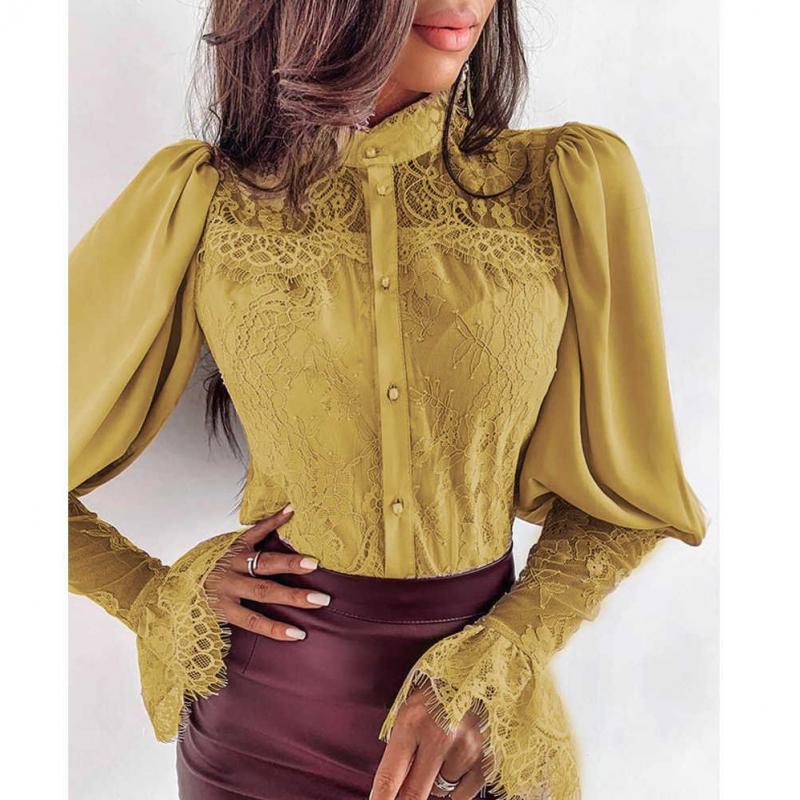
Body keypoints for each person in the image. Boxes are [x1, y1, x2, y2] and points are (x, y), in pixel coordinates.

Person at [68, 1, 710, 798]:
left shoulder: (563, 184)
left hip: (472, 748)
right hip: (254, 739)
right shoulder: (203, 202)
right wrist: (151, 595)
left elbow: (626, 500)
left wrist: (497, 660)